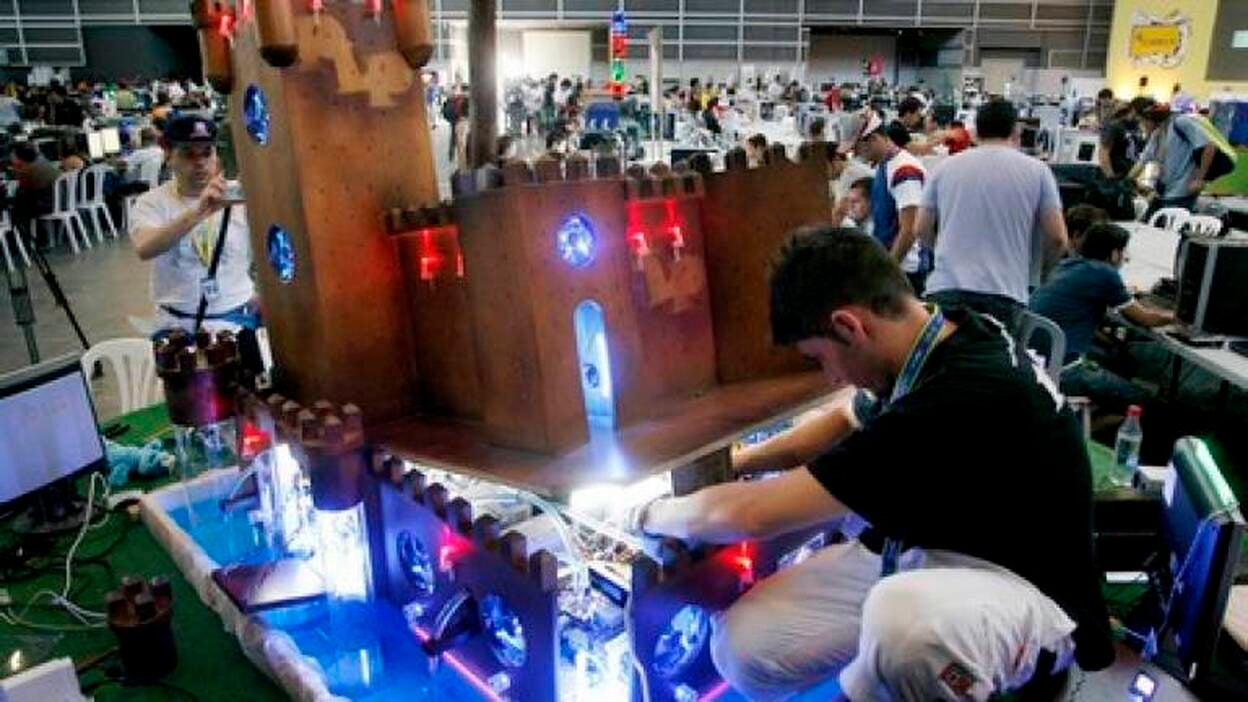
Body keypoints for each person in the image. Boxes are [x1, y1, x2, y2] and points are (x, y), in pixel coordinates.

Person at [628, 228, 1113, 700]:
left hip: (1027, 589)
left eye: (821, 359)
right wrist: (741, 460)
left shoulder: (963, 396)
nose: (832, 377)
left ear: (849, 326)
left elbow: (751, 515)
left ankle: (915, 672)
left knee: (907, 628)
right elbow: (843, 418)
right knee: (743, 649)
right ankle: (889, 673)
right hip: (935, 544)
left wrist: (646, 514)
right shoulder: (947, 331)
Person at [918, 98, 1068, 332]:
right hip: (1004, 293)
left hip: (946, 288)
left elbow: (921, 228)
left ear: (976, 131)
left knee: (946, 355)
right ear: (1015, 130)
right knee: (995, 355)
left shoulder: (944, 168)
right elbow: (1057, 238)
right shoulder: (1038, 172)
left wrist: (942, 253)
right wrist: (1042, 275)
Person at [129, 116, 257, 334]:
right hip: (179, 327)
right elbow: (145, 247)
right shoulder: (152, 202)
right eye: (189, 154)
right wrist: (198, 212)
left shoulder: (238, 195)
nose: (200, 163)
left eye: (207, 153)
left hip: (239, 320)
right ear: (169, 155)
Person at [1030, 223, 1174, 411]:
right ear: (1114, 254)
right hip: (1066, 369)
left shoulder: (1067, 265)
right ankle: (1088, 423)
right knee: (1147, 403)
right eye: (1123, 251)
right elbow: (1145, 319)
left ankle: (1094, 416)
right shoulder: (1105, 274)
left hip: (1037, 362)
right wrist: (1179, 316)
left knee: (1118, 358)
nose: (1126, 258)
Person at [852, 109, 928, 294]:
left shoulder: (904, 171)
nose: (857, 155)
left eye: (858, 148)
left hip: (906, 270)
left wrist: (888, 270)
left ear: (873, 139)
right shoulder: (885, 165)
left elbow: (909, 229)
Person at [1129, 103, 1217, 215]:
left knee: (1174, 222)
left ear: (1149, 119)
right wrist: (1125, 181)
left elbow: (1210, 146)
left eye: (1142, 122)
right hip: (1166, 192)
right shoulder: (1156, 135)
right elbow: (1142, 162)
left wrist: (1199, 179)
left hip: (1183, 191)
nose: (1141, 126)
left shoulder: (1180, 123)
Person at [10, 142, 61, 247]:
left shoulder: (28, 170)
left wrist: (17, 170)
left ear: (20, 157)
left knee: (16, 209)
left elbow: (22, 190)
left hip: (47, 205)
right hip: (59, 201)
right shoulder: (44, 162)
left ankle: (22, 242)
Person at [1098, 97, 1150, 181]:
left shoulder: (1138, 126)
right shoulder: (1114, 125)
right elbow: (1103, 153)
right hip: (1116, 173)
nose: (1144, 118)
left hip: (1131, 173)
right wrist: (1110, 176)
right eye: (1143, 115)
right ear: (1133, 110)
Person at [826, 142, 874, 222]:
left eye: (824, 166)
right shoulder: (849, 167)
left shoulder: (849, 174)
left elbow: (838, 214)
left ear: (836, 159)